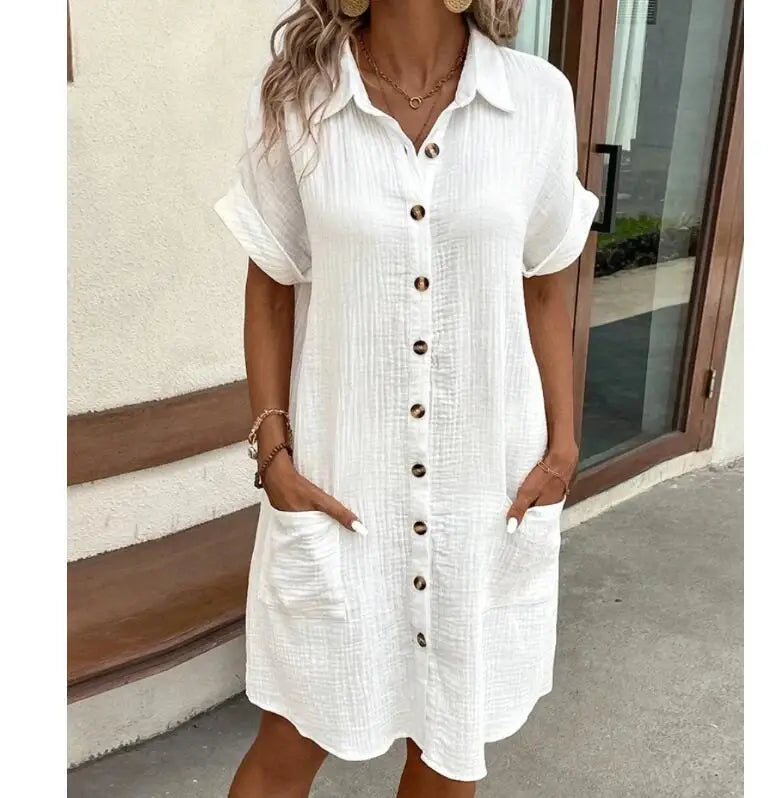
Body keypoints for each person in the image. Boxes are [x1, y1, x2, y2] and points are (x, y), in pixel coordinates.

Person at [215, 1, 599, 795]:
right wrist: (274, 454)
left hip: (484, 490)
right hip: (343, 490)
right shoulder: (301, 99)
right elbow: (271, 287)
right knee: (289, 740)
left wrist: (564, 446)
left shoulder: (537, 98)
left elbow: (546, 289)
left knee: (448, 743)